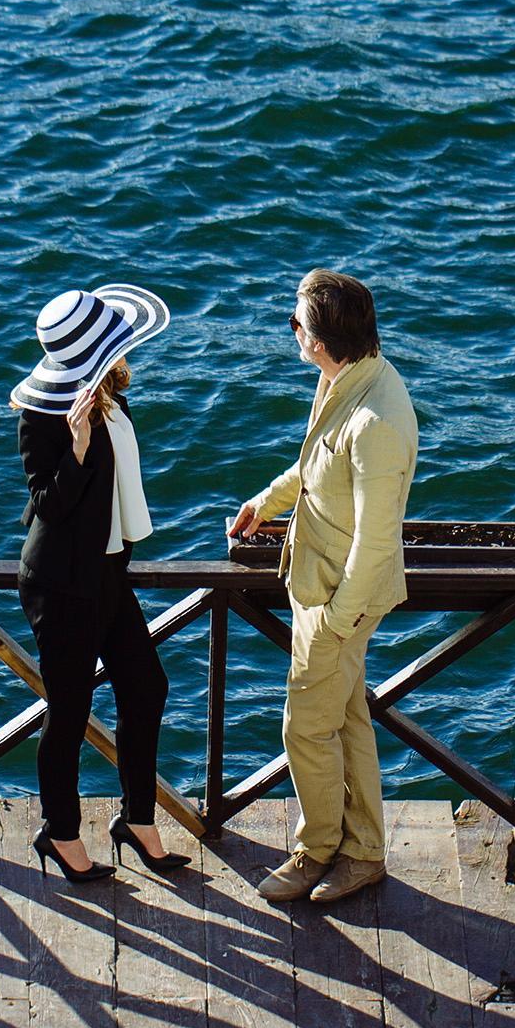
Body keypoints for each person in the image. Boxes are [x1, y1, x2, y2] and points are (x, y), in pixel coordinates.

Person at [226, 269, 417, 906]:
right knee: (346, 718)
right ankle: (363, 852)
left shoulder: (375, 422)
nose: (292, 332)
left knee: (304, 729)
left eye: (297, 323)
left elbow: (377, 538)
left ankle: (316, 850)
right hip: (324, 583)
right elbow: (314, 467)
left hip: (339, 596)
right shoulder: (347, 378)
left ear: (323, 338)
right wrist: (265, 502)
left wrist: (336, 621)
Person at [13, 284, 187, 884]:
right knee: (68, 713)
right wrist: (79, 451)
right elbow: (47, 506)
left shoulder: (111, 395)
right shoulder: (44, 418)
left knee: (147, 687)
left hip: (107, 572)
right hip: (61, 584)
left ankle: (136, 820)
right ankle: (60, 833)